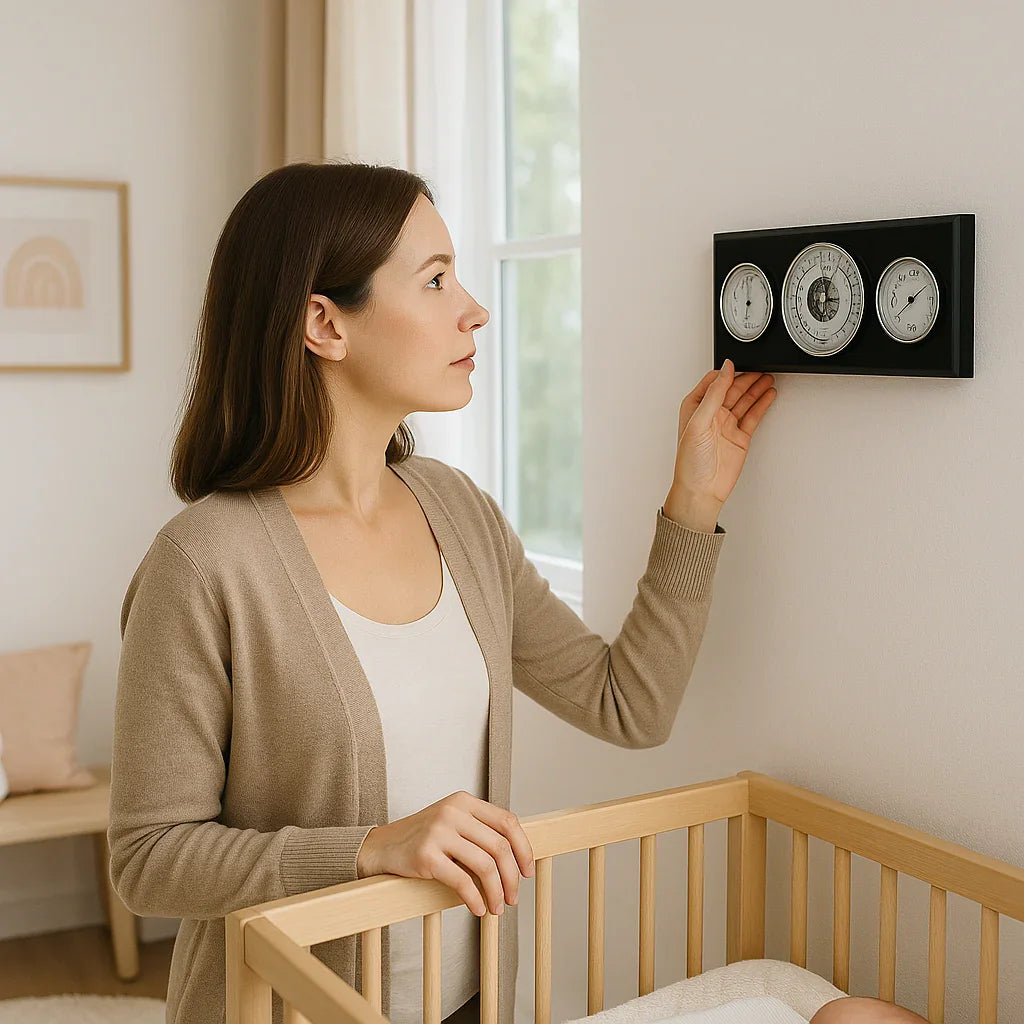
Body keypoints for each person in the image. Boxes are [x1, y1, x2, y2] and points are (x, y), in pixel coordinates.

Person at [105, 160, 904, 1024]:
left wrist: (694, 501)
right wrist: (372, 848)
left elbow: (628, 705)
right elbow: (150, 858)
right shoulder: (204, 563)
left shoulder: (457, 511)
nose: (474, 308)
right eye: (437, 280)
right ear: (325, 324)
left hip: (471, 1001)